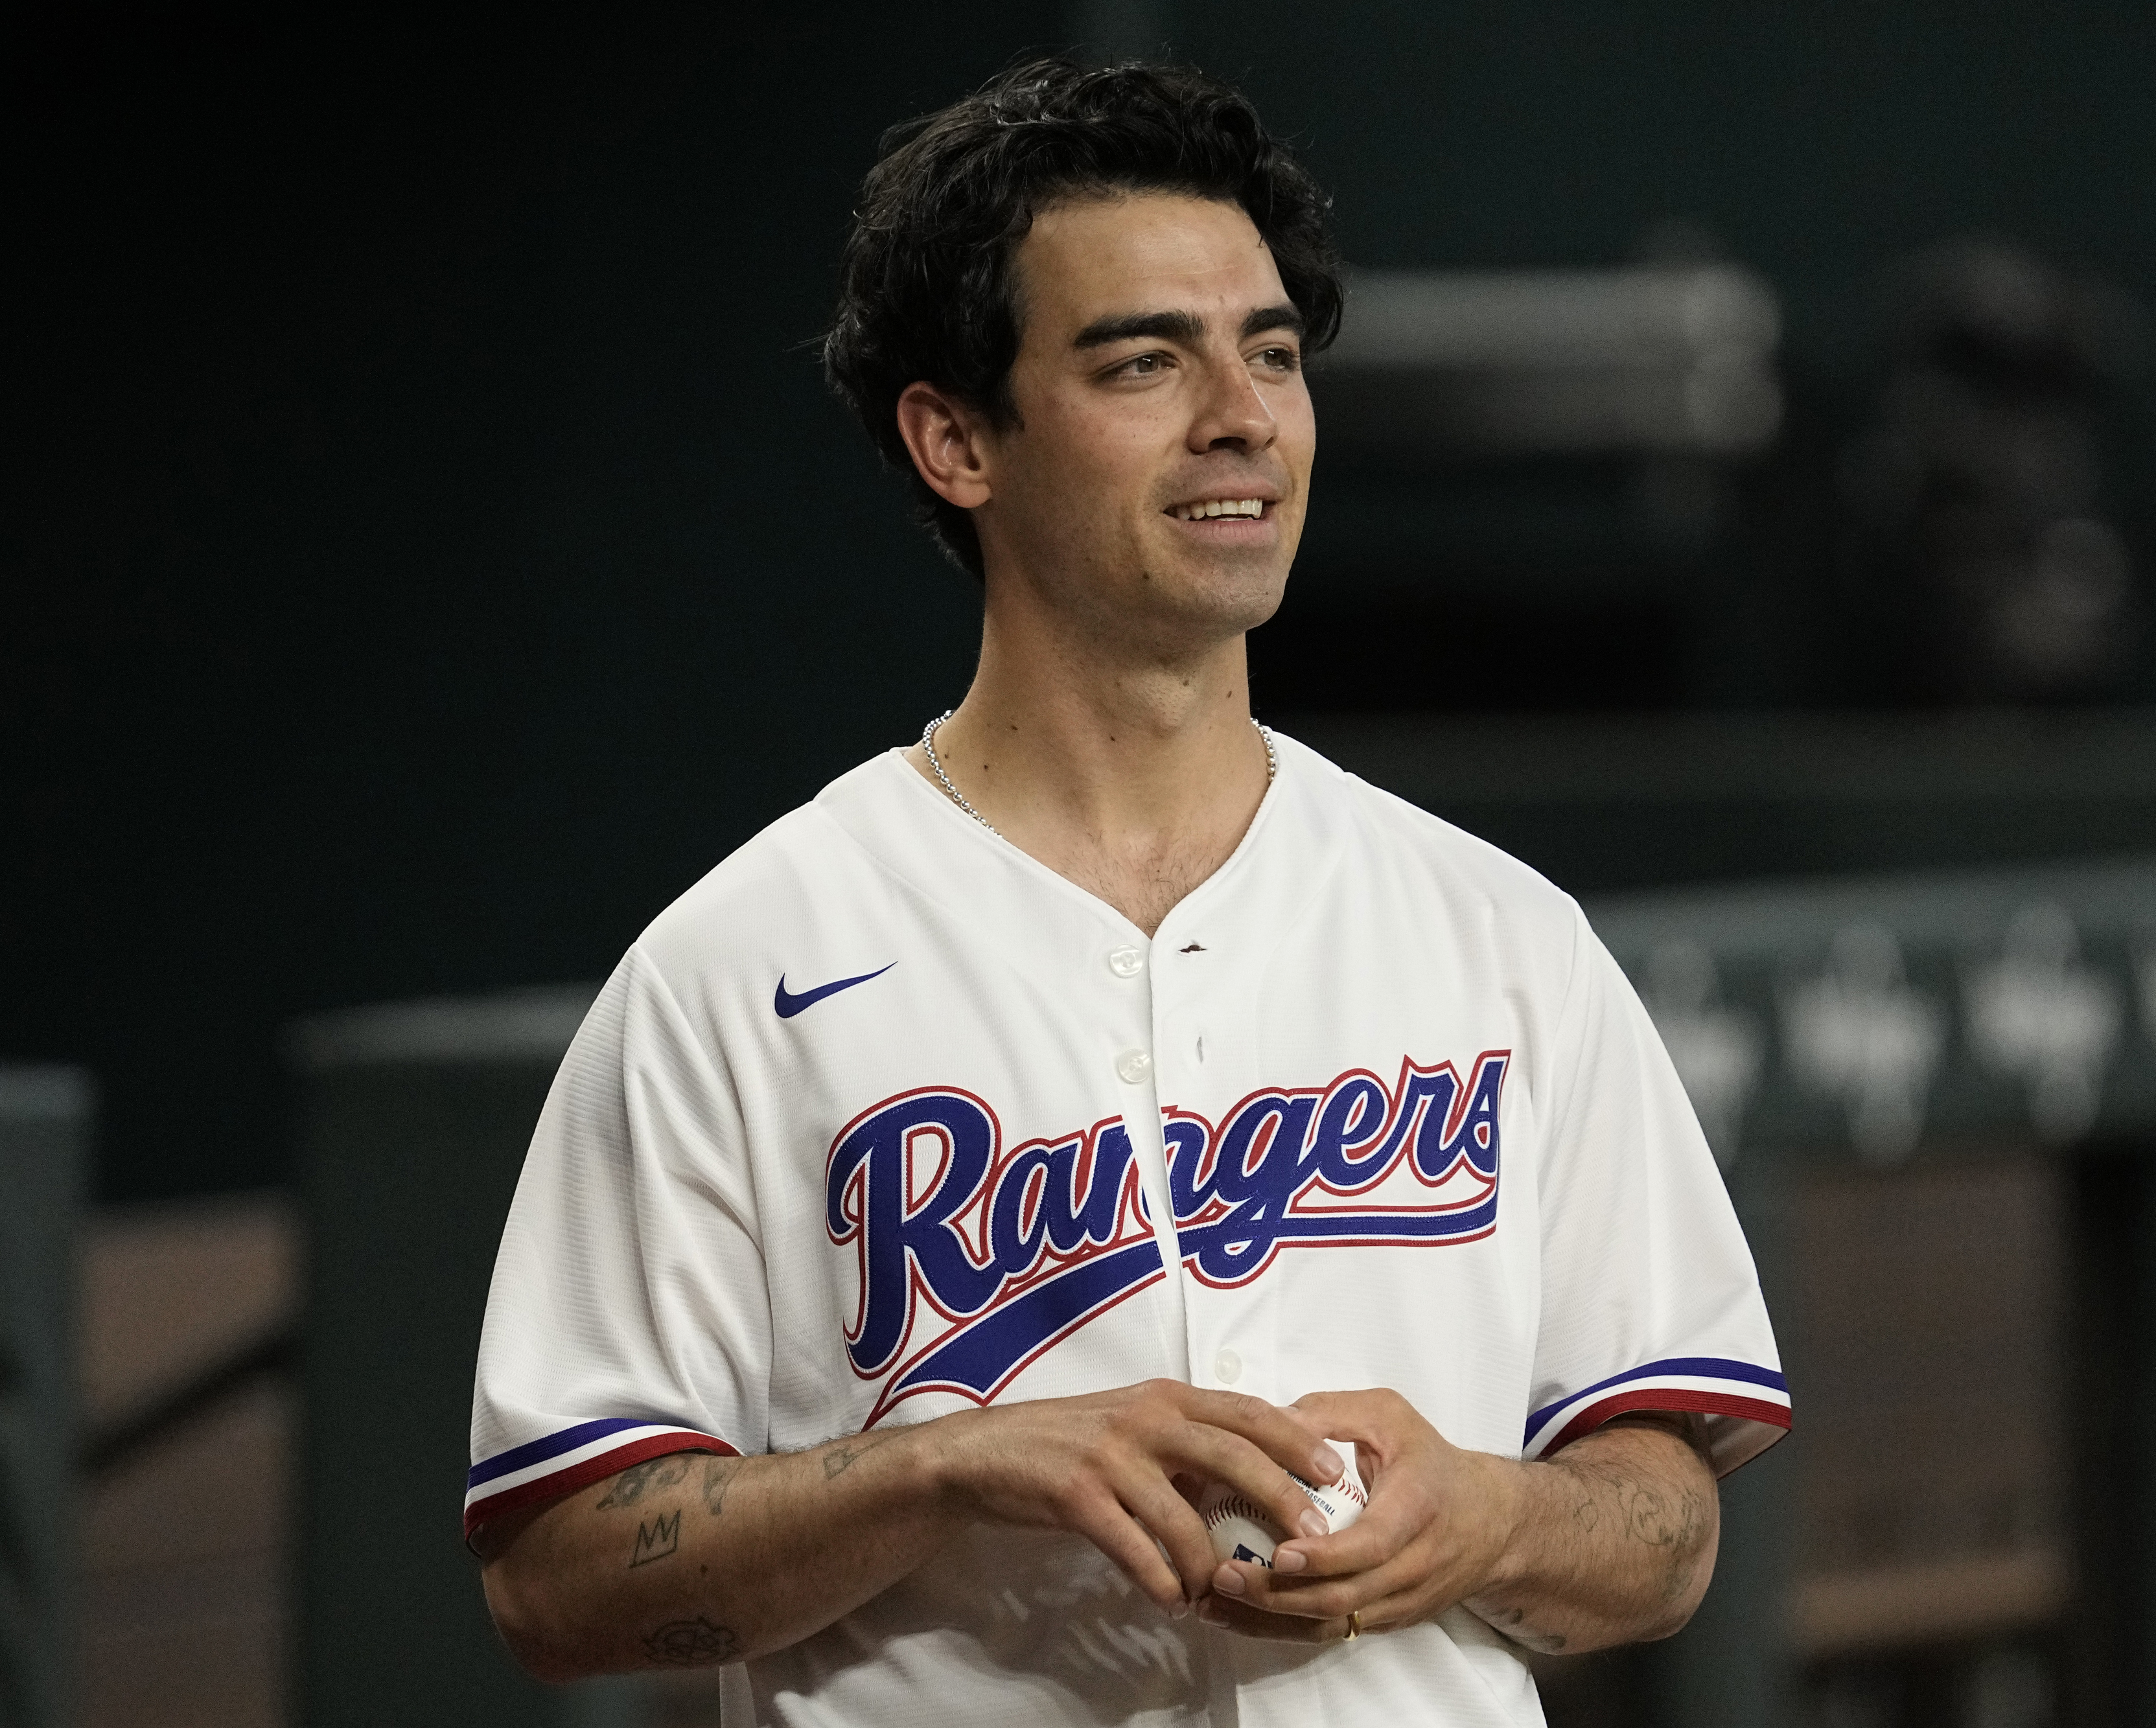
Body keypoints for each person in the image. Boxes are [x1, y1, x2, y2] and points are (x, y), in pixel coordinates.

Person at [465, 56, 1787, 1727]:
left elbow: (1666, 1524)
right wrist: (941, 1475)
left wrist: (1497, 1514)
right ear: (955, 439)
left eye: (1275, 355)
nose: (1239, 416)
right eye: (1144, 360)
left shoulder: (1498, 934)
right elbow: (554, 1575)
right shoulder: (741, 966)